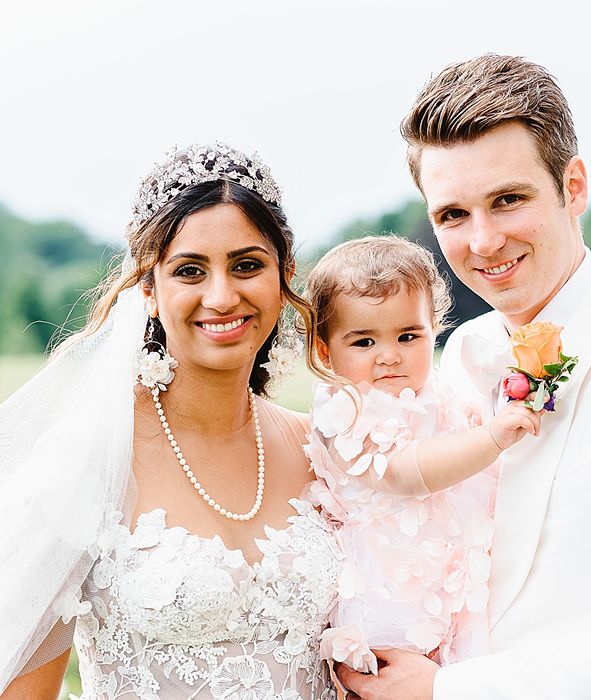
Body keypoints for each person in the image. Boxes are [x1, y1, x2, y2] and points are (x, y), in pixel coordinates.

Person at [335, 54, 591, 700]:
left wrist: (444, 690)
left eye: (507, 201)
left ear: (575, 187)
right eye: (452, 215)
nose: (482, 242)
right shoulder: (461, 358)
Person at [0, 143, 342, 699]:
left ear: (285, 277)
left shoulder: (322, 449)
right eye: (189, 270)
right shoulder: (91, 459)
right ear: (149, 290)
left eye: (247, 265)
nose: (221, 295)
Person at [301, 236, 541, 676]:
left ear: (435, 329)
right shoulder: (345, 411)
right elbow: (403, 472)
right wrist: (491, 437)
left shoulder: (440, 395)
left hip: (455, 586)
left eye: (408, 336)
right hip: (394, 600)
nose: (389, 356)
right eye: (363, 342)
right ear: (324, 349)